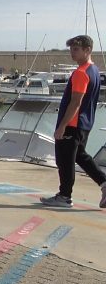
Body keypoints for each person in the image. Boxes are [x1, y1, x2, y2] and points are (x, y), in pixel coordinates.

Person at [40, 35, 106, 208]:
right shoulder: (94, 71)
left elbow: (76, 101)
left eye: (76, 49)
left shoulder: (81, 72)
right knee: (80, 156)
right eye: (71, 49)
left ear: (88, 50)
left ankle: (64, 196)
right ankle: (105, 183)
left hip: (73, 124)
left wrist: (62, 126)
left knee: (65, 160)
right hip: (85, 124)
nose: (72, 53)